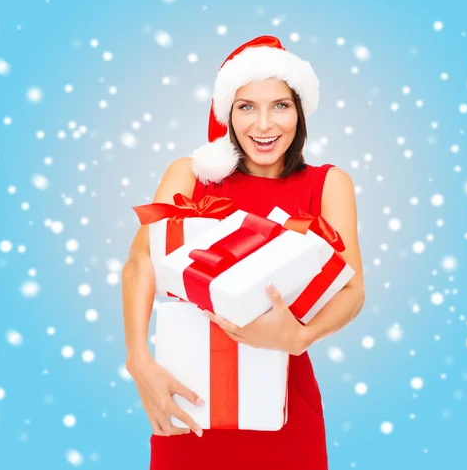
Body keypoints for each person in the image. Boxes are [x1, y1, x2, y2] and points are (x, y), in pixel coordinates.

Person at [122, 35, 366, 469]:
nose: (264, 125)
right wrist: (139, 360)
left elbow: (352, 290)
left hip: (284, 400)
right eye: (246, 106)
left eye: (281, 106)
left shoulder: (329, 184)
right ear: (227, 114)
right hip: (188, 394)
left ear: (300, 112)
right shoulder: (190, 175)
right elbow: (142, 260)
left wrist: (301, 336)